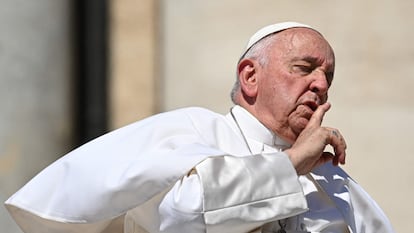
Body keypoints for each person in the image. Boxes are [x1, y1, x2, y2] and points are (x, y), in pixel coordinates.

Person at [5, 22, 394, 233]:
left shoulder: (337, 184)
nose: (321, 85)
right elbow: (182, 218)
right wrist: (289, 164)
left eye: (327, 76)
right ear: (250, 77)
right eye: (304, 68)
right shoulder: (192, 133)